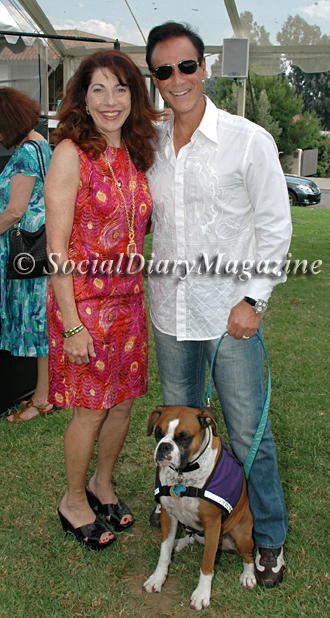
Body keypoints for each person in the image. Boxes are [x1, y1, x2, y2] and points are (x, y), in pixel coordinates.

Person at [145, 22, 292, 587]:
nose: (176, 80)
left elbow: (276, 227)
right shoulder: (151, 140)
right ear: (155, 78)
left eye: (186, 67)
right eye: (163, 71)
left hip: (231, 314)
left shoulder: (247, 138)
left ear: (203, 67)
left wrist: (254, 298)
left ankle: (270, 539)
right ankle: (181, 514)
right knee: (176, 432)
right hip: (169, 312)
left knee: (249, 430)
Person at [44, 50, 159, 549]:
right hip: (84, 307)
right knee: (90, 409)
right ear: (83, 100)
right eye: (99, 90)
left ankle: (102, 484)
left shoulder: (135, 154)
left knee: (123, 404)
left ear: (134, 98)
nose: (111, 101)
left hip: (129, 303)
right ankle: (73, 500)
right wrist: (71, 324)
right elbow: (55, 250)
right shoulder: (71, 153)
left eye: (121, 89)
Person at [0, 87, 53, 422]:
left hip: (25, 254)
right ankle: (43, 392)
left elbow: (15, 211)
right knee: (41, 323)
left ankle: (42, 397)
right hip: (37, 251)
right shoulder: (40, 143)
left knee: (37, 325)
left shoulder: (23, 154)